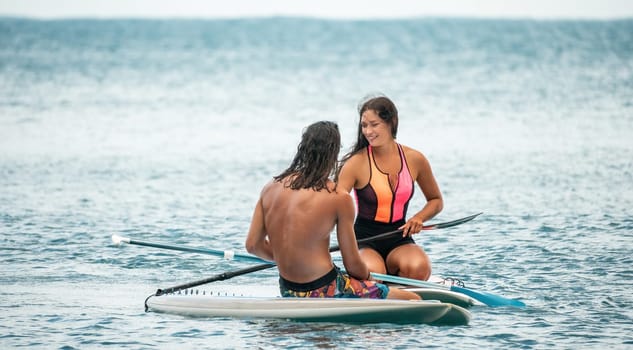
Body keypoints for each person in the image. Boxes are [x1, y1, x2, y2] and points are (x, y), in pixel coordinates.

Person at [245, 121, 419, 300]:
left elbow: (252, 245)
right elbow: (352, 264)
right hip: (326, 287)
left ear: (303, 149)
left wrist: (290, 257)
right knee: (413, 299)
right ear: (333, 154)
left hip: (288, 289)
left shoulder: (269, 188)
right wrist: (369, 280)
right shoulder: (338, 197)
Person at [336, 95, 443, 281]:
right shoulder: (356, 163)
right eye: (364, 125)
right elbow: (333, 205)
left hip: (399, 236)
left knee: (419, 269)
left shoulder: (415, 159)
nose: (368, 131)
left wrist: (419, 218)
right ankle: (379, 282)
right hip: (363, 240)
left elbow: (436, 200)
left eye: (374, 124)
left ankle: (396, 285)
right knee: (373, 275)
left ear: (391, 122)